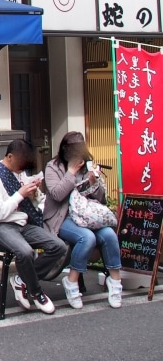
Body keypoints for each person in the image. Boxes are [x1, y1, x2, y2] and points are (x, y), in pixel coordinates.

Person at [0, 138, 67, 314]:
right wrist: (20, 194)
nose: (21, 170)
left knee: (58, 246)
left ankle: (22, 280)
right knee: (25, 252)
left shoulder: (19, 174)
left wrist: (33, 194)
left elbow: (30, 205)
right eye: (20, 165)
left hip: (20, 222)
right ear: (9, 157)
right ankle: (37, 292)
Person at [44, 131, 122, 309]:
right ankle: (72, 282)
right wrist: (71, 172)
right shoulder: (53, 167)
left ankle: (115, 282)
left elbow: (100, 200)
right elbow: (57, 195)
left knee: (109, 234)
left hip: (88, 216)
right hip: (62, 217)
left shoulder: (87, 166)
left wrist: (94, 181)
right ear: (65, 150)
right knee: (87, 237)